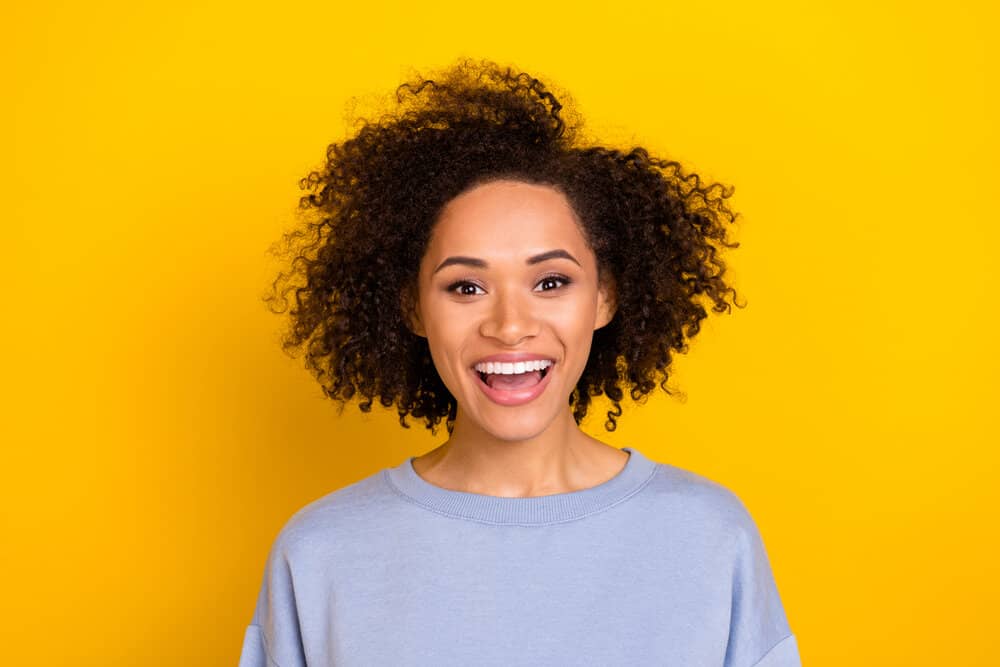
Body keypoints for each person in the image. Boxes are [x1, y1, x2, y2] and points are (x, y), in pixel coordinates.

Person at [238, 58, 801, 666]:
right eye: (465, 287)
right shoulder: (321, 554)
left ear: (605, 297)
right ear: (412, 309)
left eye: (551, 281)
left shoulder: (711, 539)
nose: (510, 326)